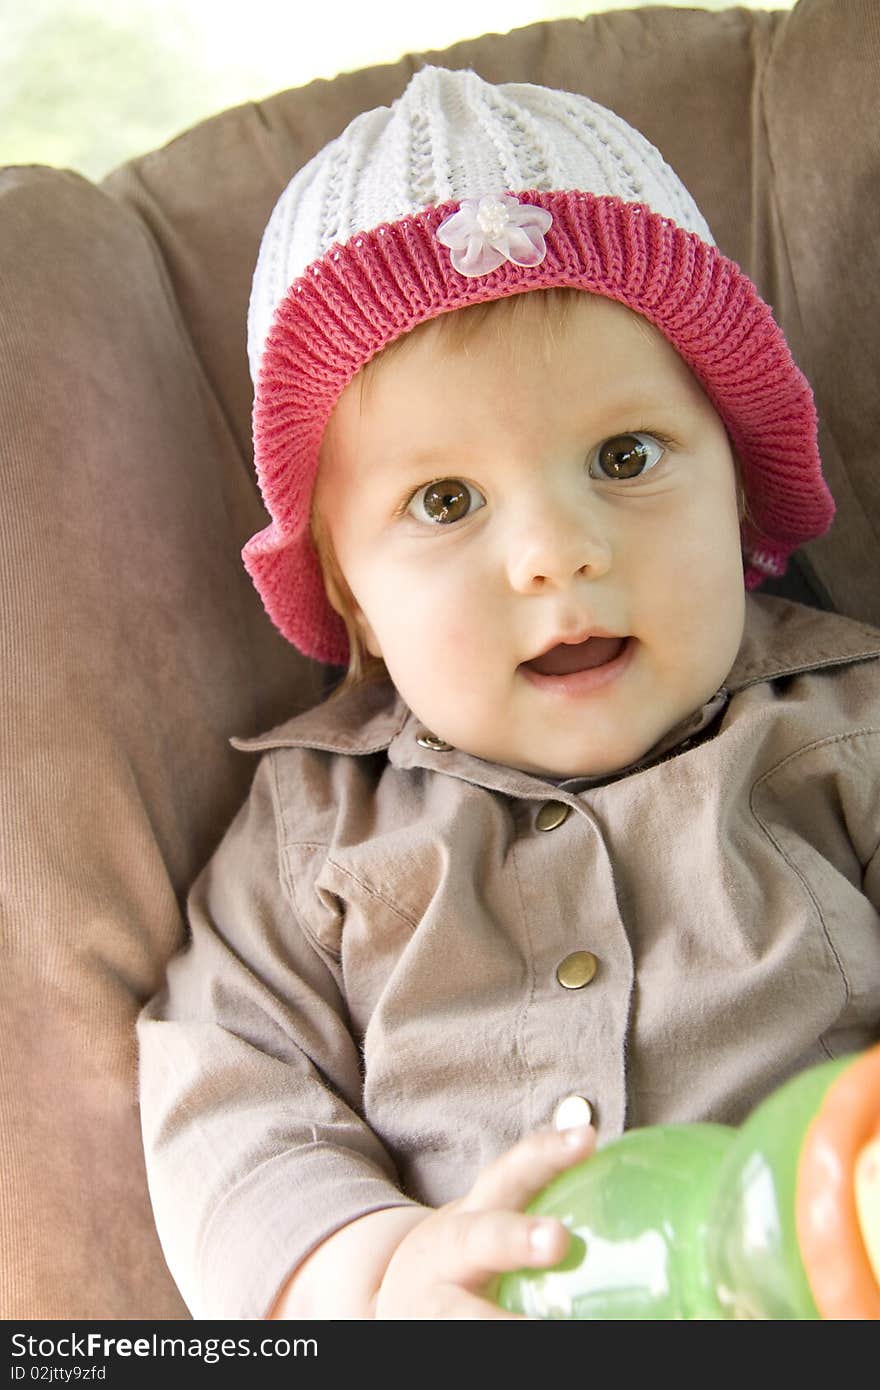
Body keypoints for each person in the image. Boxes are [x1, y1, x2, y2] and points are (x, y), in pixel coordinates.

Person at [136, 66, 880, 1320]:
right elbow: (230, 1094)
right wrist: (369, 1275)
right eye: (445, 501)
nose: (555, 551)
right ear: (354, 598)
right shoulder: (316, 829)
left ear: (739, 489)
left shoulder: (840, 730)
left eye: (625, 457)